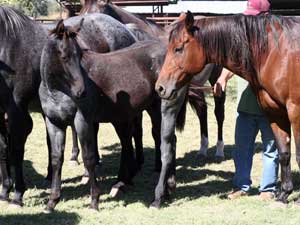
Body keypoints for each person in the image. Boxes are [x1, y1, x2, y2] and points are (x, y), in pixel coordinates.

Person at [215, 0, 278, 199]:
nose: (249, 21)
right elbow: (233, 61)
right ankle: (241, 186)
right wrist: (222, 79)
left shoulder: (276, 41)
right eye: (248, 16)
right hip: (246, 107)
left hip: (271, 108)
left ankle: (267, 189)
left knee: (270, 149)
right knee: (242, 149)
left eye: (254, 17)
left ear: (265, 16)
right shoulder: (244, 39)